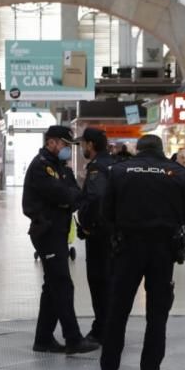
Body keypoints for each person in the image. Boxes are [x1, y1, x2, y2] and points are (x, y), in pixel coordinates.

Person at [95, 134, 185, 370]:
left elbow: (106, 213)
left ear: (138, 149)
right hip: (163, 250)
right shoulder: (178, 173)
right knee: (157, 315)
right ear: (162, 150)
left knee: (117, 312)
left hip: (127, 248)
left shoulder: (118, 171)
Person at [22, 125, 99, 355]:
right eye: (65, 145)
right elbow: (63, 194)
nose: (68, 150)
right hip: (46, 232)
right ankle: (73, 338)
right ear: (52, 142)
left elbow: (77, 195)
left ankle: (43, 338)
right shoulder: (41, 167)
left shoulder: (60, 167)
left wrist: (67, 198)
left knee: (53, 285)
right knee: (62, 284)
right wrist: (66, 198)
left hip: (59, 230)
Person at [76, 127, 114, 344]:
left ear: (90, 145)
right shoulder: (116, 164)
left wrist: (86, 224)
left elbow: (95, 197)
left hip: (99, 235)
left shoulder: (98, 168)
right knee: (111, 281)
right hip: (115, 234)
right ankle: (111, 326)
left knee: (98, 281)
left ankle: (101, 329)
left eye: (83, 144)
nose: (82, 148)